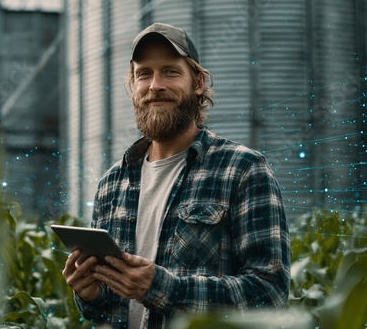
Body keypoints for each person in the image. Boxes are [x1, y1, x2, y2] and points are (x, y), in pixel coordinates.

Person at [62, 22, 290, 328]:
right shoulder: (111, 185)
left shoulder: (243, 170)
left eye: (170, 71)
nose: (155, 85)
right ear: (133, 84)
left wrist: (160, 287)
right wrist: (90, 295)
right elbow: (108, 310)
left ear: (197, 83)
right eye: (144, 73)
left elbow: (270, 294)